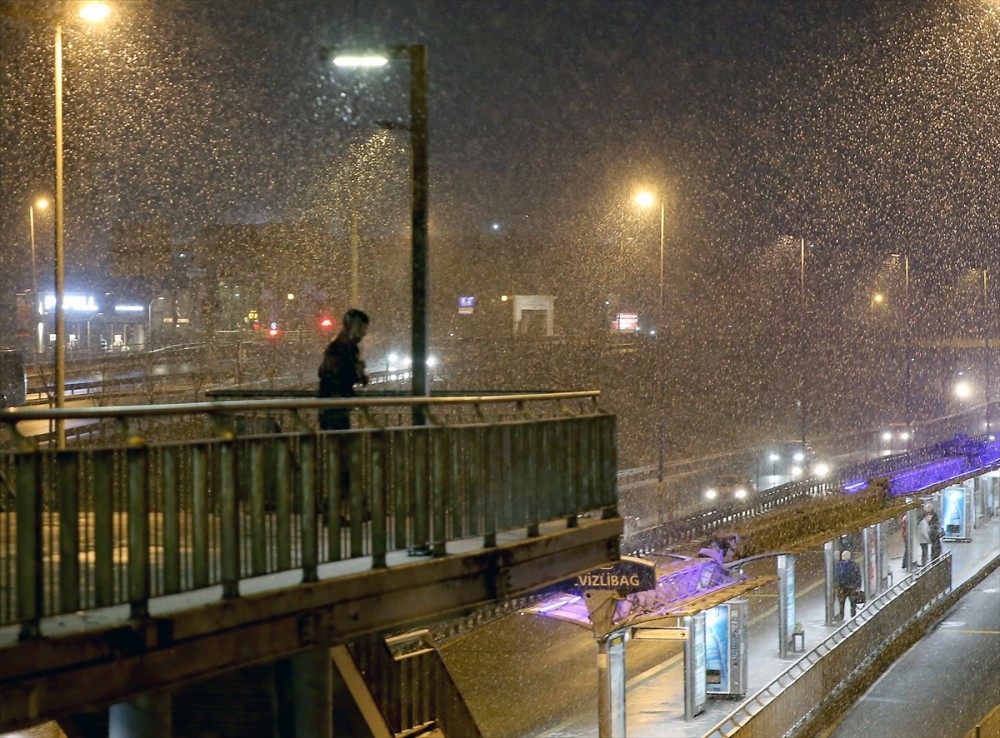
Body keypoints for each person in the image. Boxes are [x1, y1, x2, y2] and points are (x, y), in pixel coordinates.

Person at [317, 308, 370, 430]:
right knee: (340, 441)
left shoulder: (340, 344)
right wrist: (357, 373)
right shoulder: (345, 346)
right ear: (355, 326)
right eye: (363, 328)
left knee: (337, 442)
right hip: (335, 405)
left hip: (331, 404)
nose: (364, 333)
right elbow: (331, 373)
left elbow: (326, 371)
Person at [834, 550, 862, 620]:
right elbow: (858, 576)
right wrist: (858, 585)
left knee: (844, 602)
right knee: (849, 602)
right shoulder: (853, 564)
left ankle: (844, 615)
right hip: (848, 586)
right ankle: (851, 616)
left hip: (845, 587)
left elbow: (836, 575)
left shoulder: (839, 565)